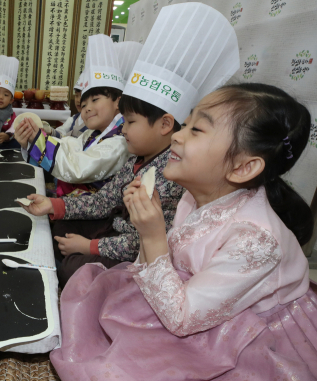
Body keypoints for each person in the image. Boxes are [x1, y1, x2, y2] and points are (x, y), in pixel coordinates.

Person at [53, 81, 317, 380]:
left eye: (196, 130)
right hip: (193, 297)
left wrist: (152, 235)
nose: (177, 135)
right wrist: (147, 230)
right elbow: (167, 261)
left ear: (243, 168)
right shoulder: (192, 196)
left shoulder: (256, 239)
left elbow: (182, 319)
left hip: (241, 327)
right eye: (186, 123)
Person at [20, 3, 240, 286]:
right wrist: (53, 204)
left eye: (131, 122)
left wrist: (89, 247)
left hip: (137, 251)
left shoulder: (172, 175)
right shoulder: (138, 158)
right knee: (62, 226)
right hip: (116, 229)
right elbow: (104, 200)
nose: (122, 129)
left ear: (164, 124)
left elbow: (146, 241)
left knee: (76, 267)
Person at [16, 36, 141, 197]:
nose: (87, 109)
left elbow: (78, 168)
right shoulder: (93, 133)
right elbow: (69, 145)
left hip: (92, 215)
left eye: (95, 100)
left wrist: (38, 142)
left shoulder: (120, 140)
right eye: (83, 105)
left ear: (118, 101)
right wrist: (32, 140)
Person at [42, 71, 86, 139]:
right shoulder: (74, 118)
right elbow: (62, 131)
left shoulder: (93, 123)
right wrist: (49, 130)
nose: (78, 100)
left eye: (82, 96)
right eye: (76, 95)